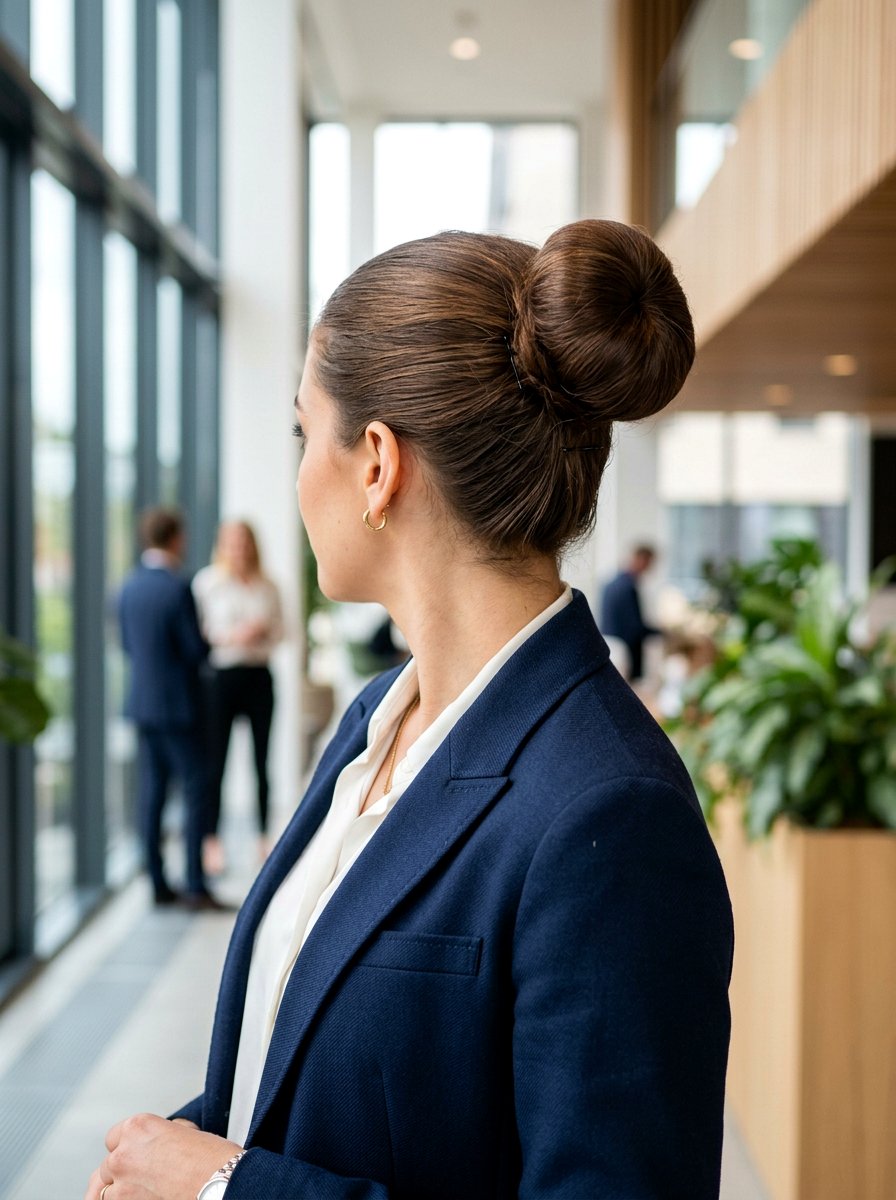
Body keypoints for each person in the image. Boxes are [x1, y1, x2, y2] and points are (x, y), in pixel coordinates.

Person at [87, 220, 733, 1200]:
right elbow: (306, 1070)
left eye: (306, 433)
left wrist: (226, 1187)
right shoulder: (372, 724)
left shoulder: (609, 811)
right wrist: (170, 1153)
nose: (300, 471)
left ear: (377, 463)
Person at [117, 507, 225, 912]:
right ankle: (196, 884)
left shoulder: (127, 588)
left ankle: (158, 884)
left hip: (143, 706)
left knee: (152, 795)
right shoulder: (177, 588)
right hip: (179, 708)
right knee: (197, 789)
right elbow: (194, 650)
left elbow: (128, 647)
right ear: (175, 538)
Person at [192, 520, 284, 871]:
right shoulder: (207, 584)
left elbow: (283, 631)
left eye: (244, 542)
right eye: (231, 543)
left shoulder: (269, 585)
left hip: (258, 676)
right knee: (217, 761)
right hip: (221, 680)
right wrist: (234, 636)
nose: (238, 549)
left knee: (262, 761)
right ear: (221, 546)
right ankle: (211, 842)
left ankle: (263, 837)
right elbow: (200, 635)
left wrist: (262, 632)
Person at [600, 544, 662, 681]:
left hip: (607, 644)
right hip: (622, 649)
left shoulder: (611, 583)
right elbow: (634, 627)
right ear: (642, 560)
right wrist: (662, 633)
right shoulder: (628, 587)